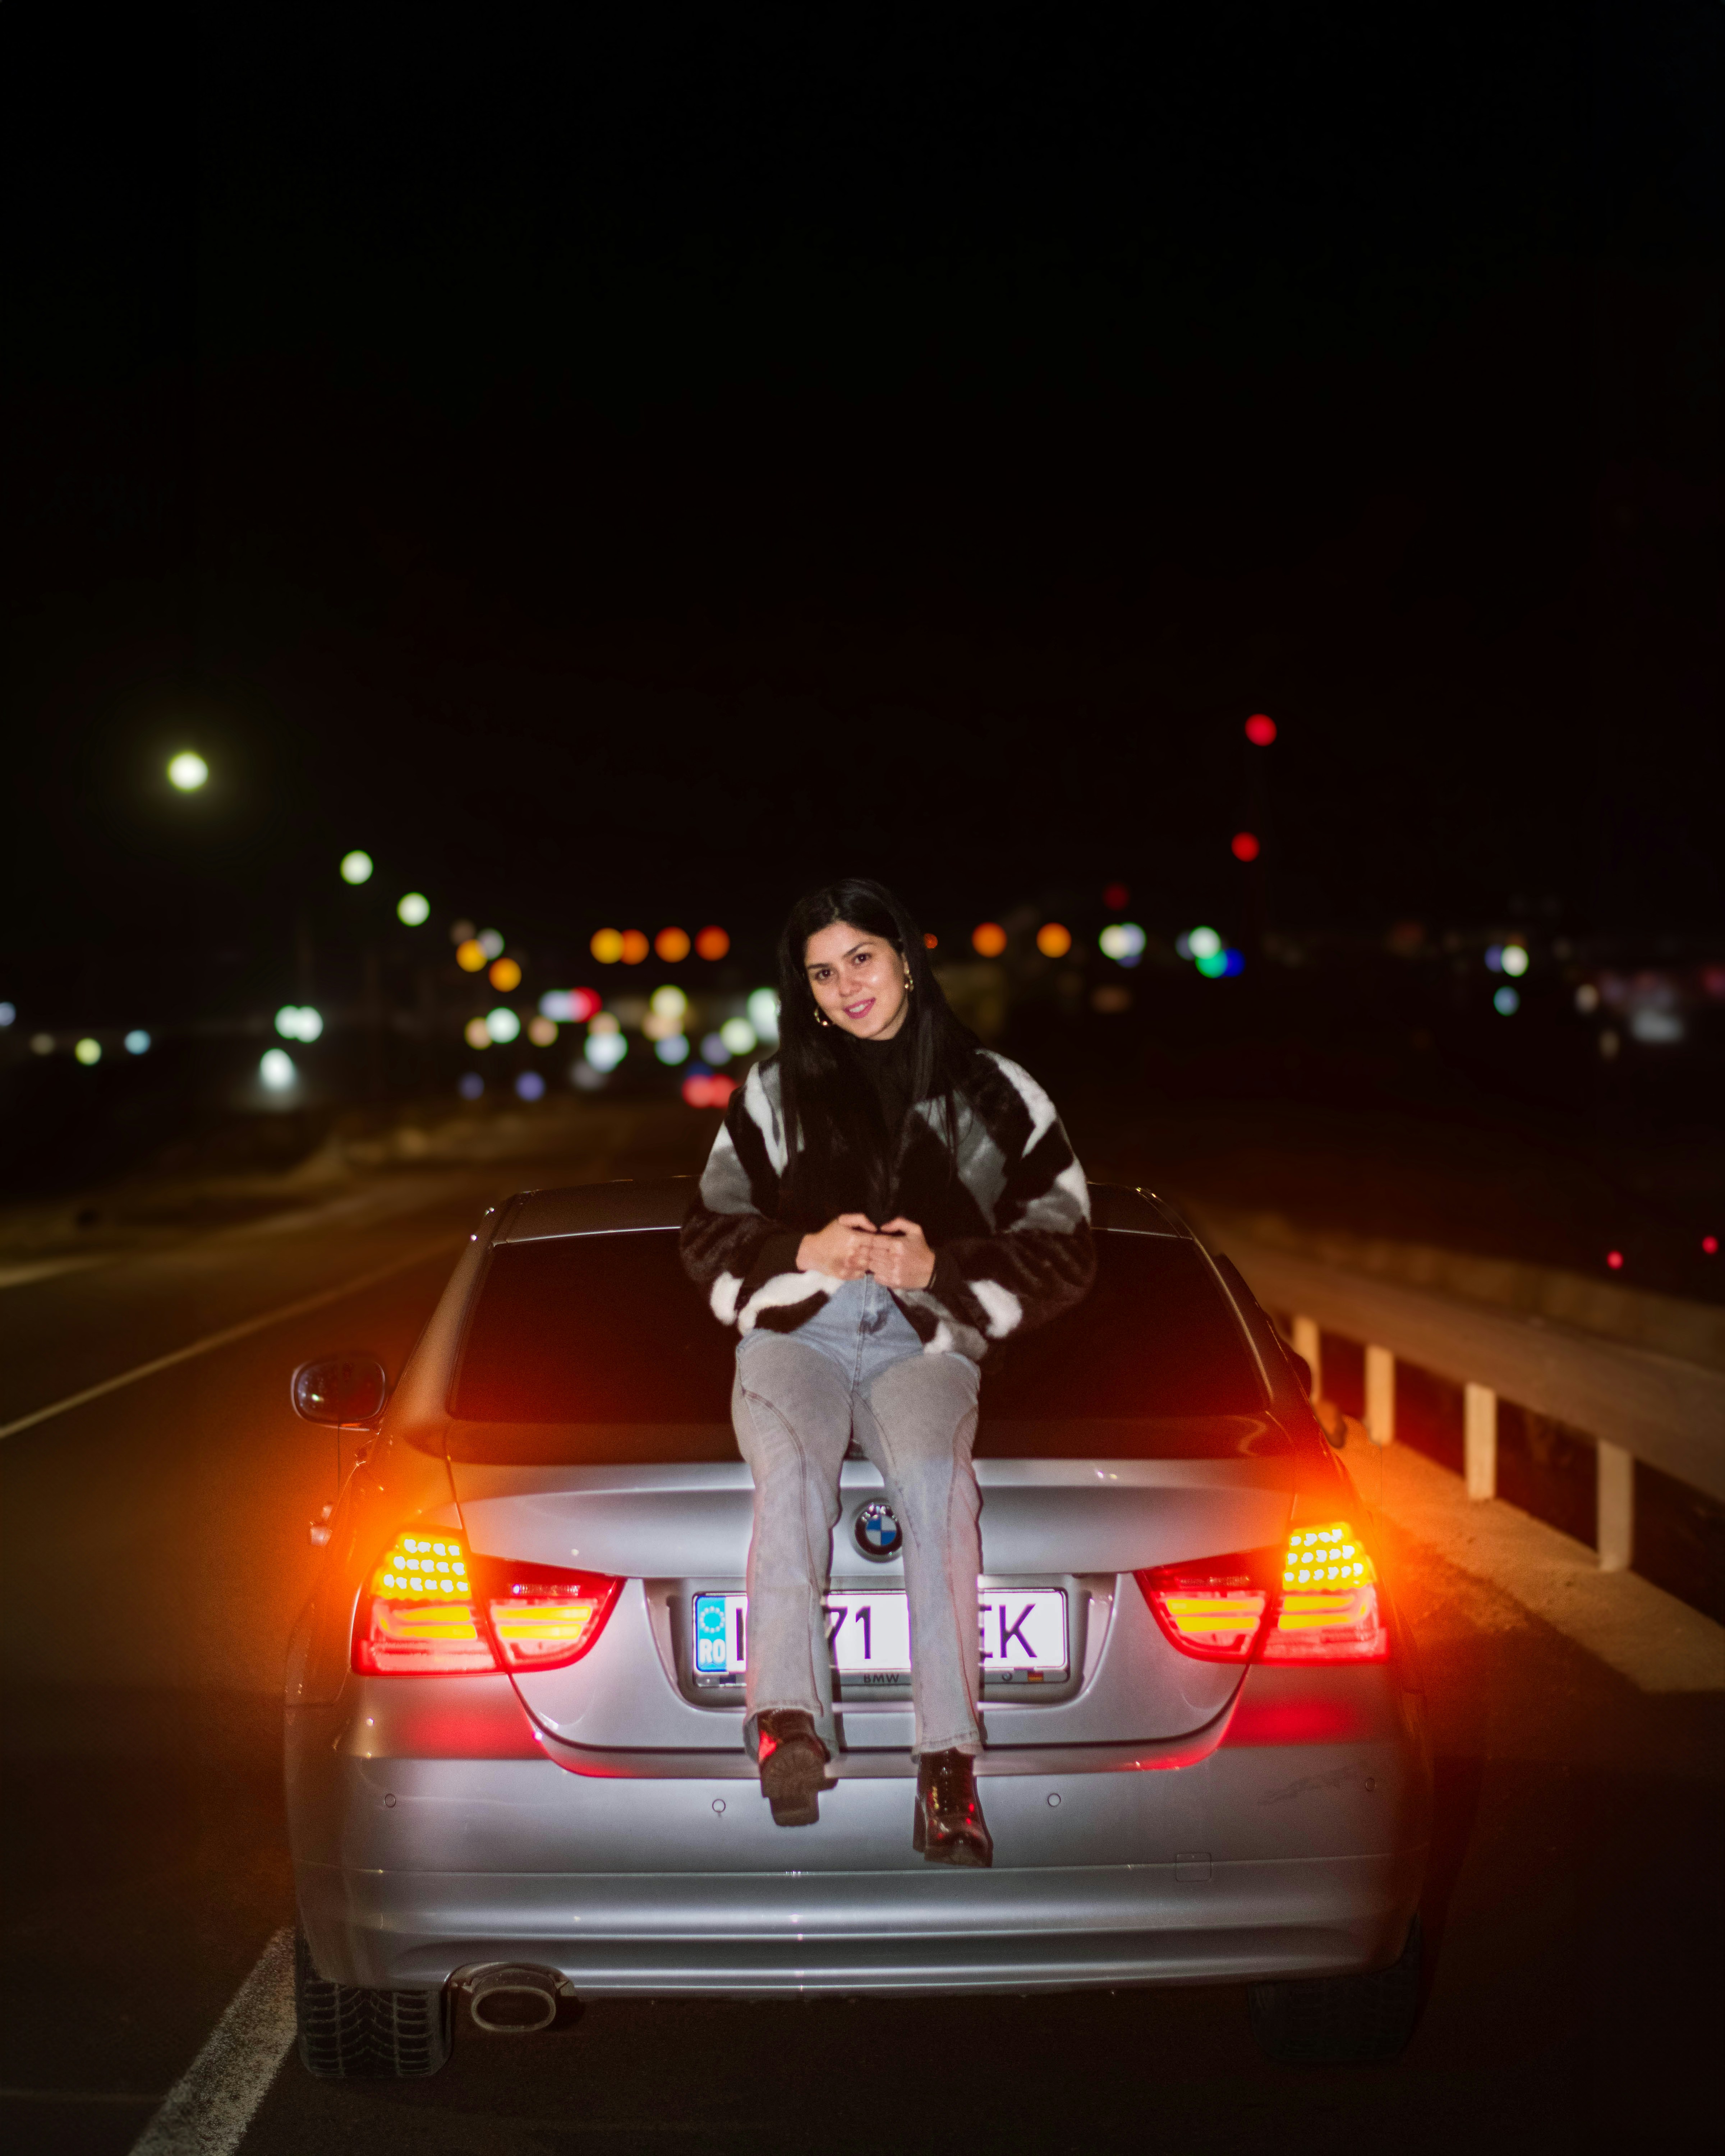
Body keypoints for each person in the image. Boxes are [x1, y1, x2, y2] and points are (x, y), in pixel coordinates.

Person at [680, 878, 1094, 1865]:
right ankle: (786, 1724)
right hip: (798, 1337)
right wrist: (795, 1252)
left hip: (924, 1338)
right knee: (790, 1483)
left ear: (904, 956)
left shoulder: (995, 1092)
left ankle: (946, 1771)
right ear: (806, 991)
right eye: (822, 973)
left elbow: (1067, 1244)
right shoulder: (774, 1092)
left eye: (861, 958)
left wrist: (941, 1268)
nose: (846, 986)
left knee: (936, 1488)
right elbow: (705, 1234)